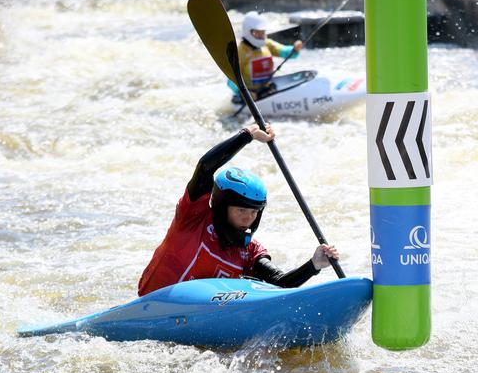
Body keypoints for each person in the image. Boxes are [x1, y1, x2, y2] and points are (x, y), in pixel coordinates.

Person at [137, 123, 338, 296]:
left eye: (254, 212)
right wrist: (247, 135)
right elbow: (205, 167)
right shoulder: (193, 219)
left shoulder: (249, 250)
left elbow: (279, 283)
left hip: (198, 319)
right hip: (150, 306)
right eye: (242, 210)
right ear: (222, 206)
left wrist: (314, 265)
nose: (248, 218)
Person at [228, 11, 304, 103]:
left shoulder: (267, 44)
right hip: (250, 95)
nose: (261, 35)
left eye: (263, 32)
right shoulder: (240, 52)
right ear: (248, 31)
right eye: (257, 33)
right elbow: (231, 81)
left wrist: (295, 48)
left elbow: (284, 52)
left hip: (266, 89)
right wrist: (245, 93)